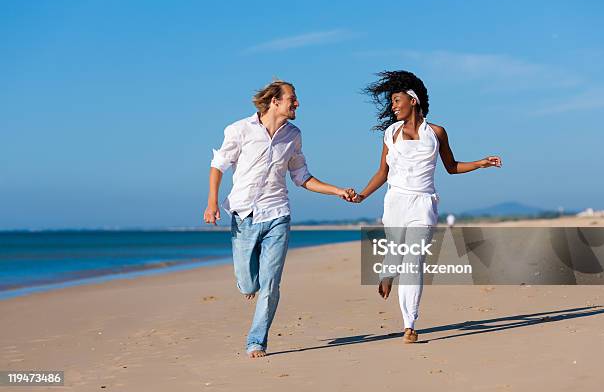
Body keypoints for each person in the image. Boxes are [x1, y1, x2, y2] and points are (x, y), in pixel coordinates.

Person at [204, 80, 355, 358]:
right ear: (275, 101)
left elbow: (302, 177)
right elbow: (218, 165)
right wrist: (212, 202)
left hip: (278, 215)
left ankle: (256, 341)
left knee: (271, 282)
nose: (297, 104)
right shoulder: (239, 130)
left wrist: (337, 191)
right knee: (249, 283)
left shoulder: (293, 135)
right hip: (244, 215)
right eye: (292, 99)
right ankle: (249, 286)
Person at [350, 71, 501, 343]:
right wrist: (362, 195)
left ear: (413, 100)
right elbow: (382, 172)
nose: (393, 106)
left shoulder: (436, 133)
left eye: (397, 100)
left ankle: (409, 323)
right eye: (392, 102)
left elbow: (452, 168)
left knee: (413, 261)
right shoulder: (390, 133)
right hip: (395, 203)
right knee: (397, 253)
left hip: (423, 204)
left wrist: (480, 163)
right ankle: (387, 270)